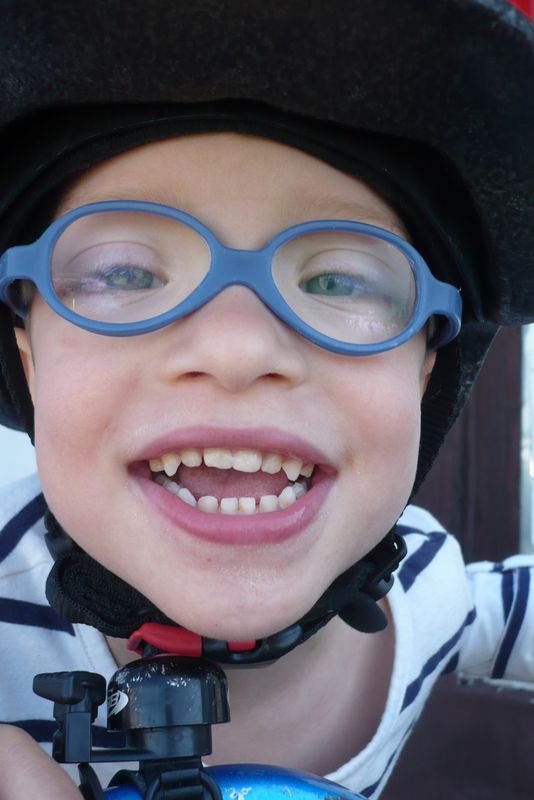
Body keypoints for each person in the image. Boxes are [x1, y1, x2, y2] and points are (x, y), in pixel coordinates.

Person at [0, 1, 533, 798]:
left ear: (425, 372)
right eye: (125, 273)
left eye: (339, 282)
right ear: (31, 360)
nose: (238, 348)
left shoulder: (425, 584)